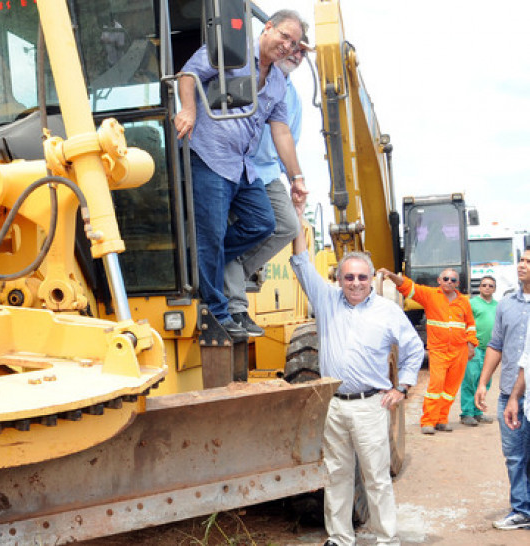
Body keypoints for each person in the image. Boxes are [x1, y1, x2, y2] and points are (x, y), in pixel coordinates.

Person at [290, 200, 423, 546]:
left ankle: (385, 536)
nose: (355, 283)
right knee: (336, 475)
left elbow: (414, 348)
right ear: (339, 278)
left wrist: (403, 388)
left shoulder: (387, 311)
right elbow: (303, 263)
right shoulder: (325, 300)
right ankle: (340, 537)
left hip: (371, 405)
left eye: (362, 277)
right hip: (334, 405)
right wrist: (298, 215)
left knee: (376, 476)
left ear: (371, 278)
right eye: (348, 277)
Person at [175, 10, 309, 337]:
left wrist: (296, 178)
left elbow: (281, 133)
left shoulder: (277, 81)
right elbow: (188, 75)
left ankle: (206, 258)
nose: (288, 46)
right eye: (284, 36)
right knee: (211, 234)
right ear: (267, 27)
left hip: (241, 165)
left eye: (294, 43)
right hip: (210, 155)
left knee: (264, 223)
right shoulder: (230, 51)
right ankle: (219, 314)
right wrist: (189, 110)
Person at [222, 39, 309, 337]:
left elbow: (287, 140)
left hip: (268, 172)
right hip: (237, 166)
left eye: (301, 51)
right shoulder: (245, 73)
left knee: (287, 225)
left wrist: (296, 179)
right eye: (293, 47)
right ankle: (236, 302)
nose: (295, 54)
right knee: (248, 226)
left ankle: (231, 263)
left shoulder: (293, 97)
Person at [378, 267, 478, 434]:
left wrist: (471, 345)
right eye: (445, 278)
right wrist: (392, 275)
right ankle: (428, 421)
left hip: (459, 351)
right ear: (439, 281)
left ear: (457, 283)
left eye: (453, 280)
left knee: (450, 390)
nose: (449, 282)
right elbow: (409, 287)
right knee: (436, 387)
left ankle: (441, 419)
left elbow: (470, 325)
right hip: (439, 350)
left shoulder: (463, 302)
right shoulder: (431, 295)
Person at [476, 249, 530, 530]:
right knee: (514, 456)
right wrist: (484, 382)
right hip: (510, 392)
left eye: (528, 262)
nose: (522, 265)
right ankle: (521, 510)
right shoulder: (506, 305)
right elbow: (495, 345)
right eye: (521, 260)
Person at [460, 275, 497, 426]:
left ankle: (478, 412)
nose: (487, 287)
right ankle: (467, 413)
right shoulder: (471, 304)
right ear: (479, 287)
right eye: (484, 285)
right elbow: (464, 324)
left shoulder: (498, 305)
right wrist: (468, 344)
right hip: (473, 347)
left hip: (490, 349)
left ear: (495, 288)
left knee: (484, 381)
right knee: (470, 379)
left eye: (490, 285)